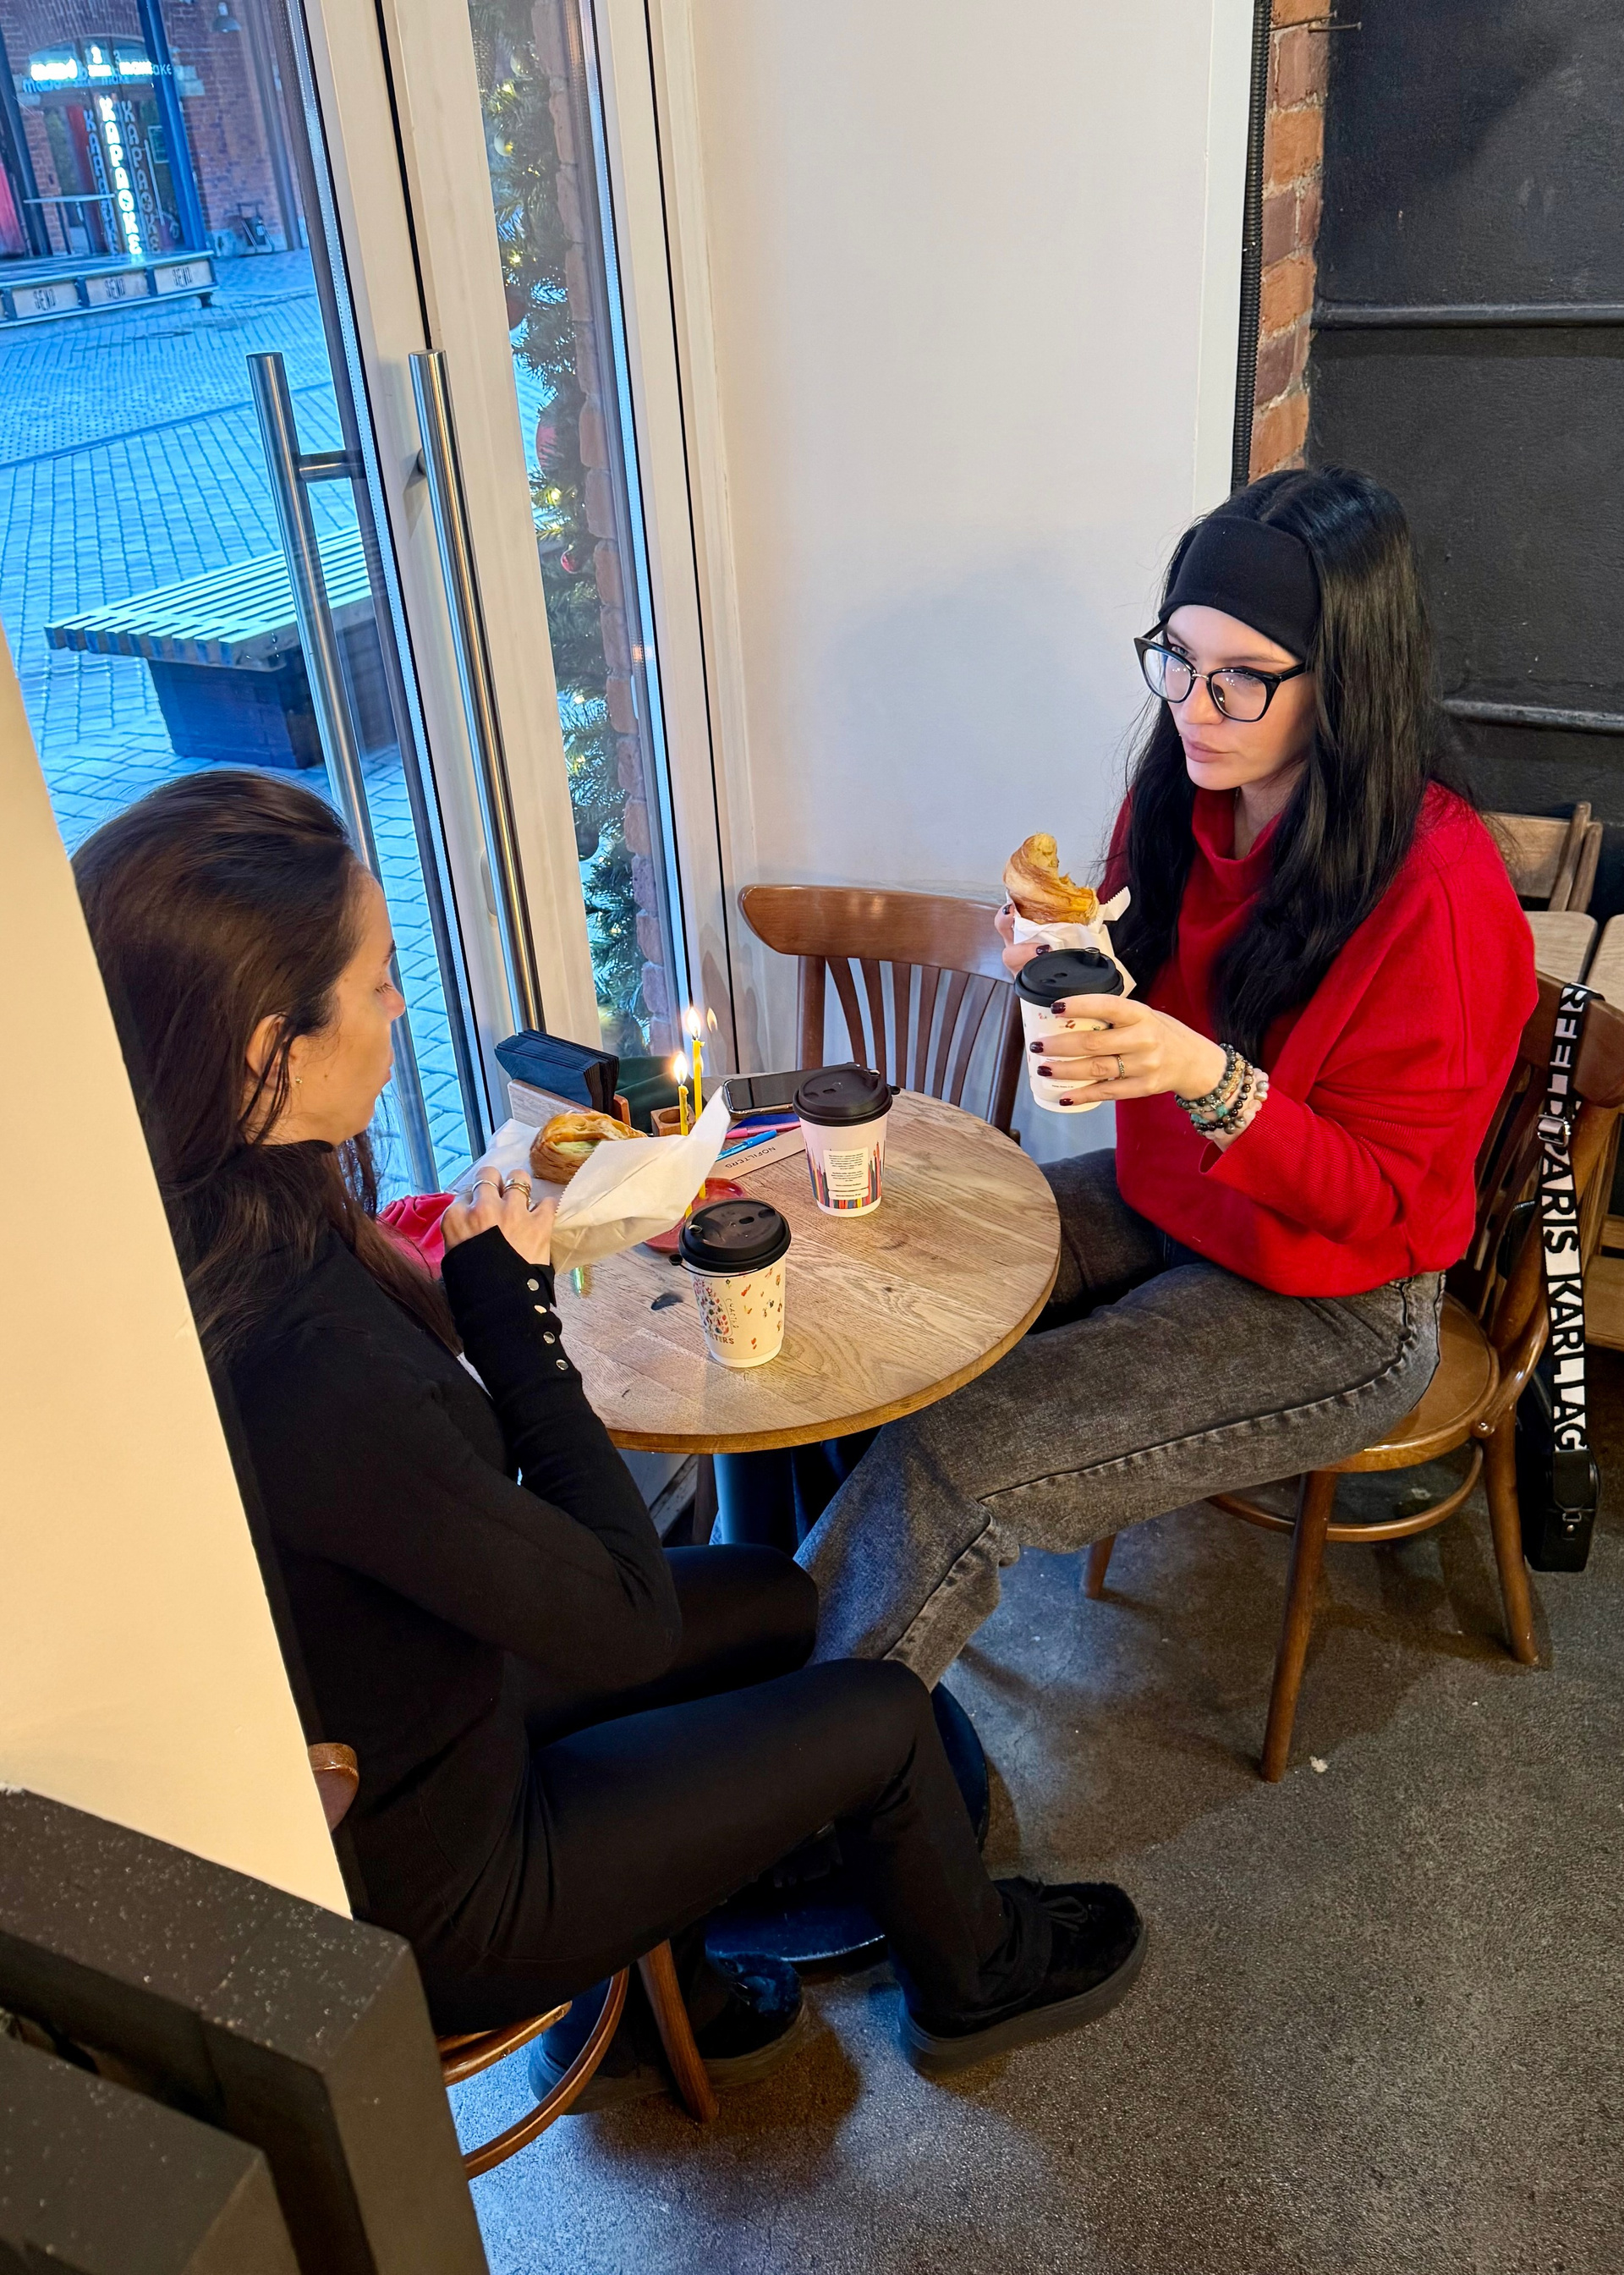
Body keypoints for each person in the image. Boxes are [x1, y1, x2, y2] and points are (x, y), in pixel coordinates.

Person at [73, 771, 1146, 2099]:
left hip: (429, 1708)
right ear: (263, 1051)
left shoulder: (212, 1227)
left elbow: (464, 1530)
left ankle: (672, 1966)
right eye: (376, 981)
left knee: (773, 1594)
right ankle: (974, 1977)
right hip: (452, 1887)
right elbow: (625, 1621)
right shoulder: (309, 1360)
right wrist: (514, 1313)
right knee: (878, 1713)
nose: (401, 1007)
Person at [797, 467, 1539, 1684]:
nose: (1197, 707)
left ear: (1345, 677)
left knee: (957, 1456)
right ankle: (774, 1647)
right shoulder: (1184, 790)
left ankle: (801, 1756)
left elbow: (1390, 1205)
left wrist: (1205, 1076)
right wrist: (1058, 969)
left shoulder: (1440, 890)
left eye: (1242, 676)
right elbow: (1125, 973)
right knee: (866, 1300)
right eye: (1176, 659)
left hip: (1340, 1299)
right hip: (1175, 1199)